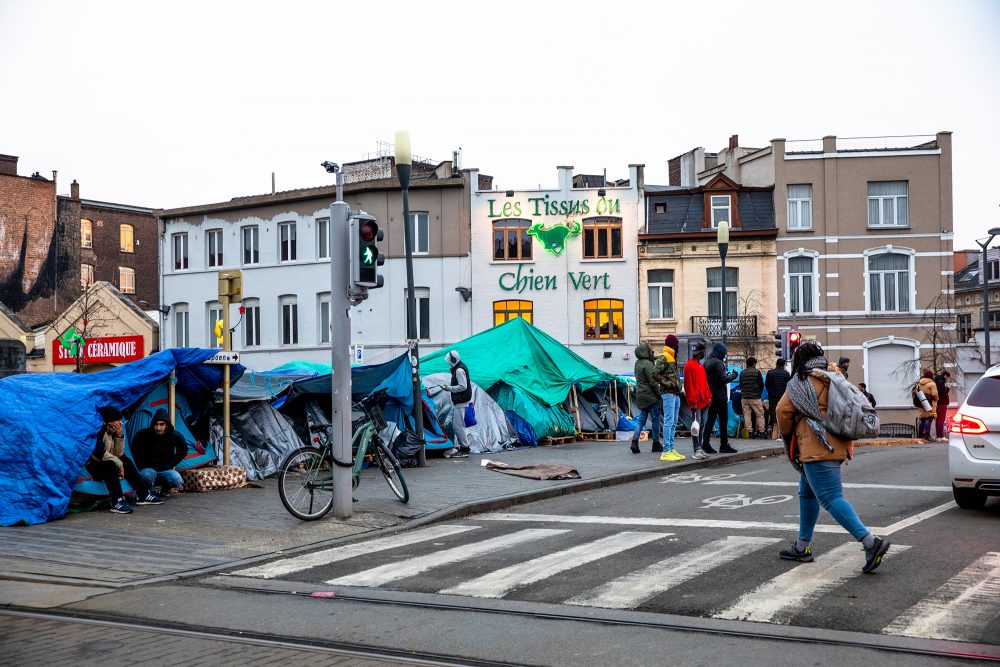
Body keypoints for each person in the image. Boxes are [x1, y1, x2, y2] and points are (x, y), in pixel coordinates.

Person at [776, 341, 891, 574]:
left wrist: (788, 434)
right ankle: (802, 546)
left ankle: (871, 542)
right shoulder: (834, 377)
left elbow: (782, 411)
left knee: (830, 497)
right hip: (838, 442)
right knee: (807, 492)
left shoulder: (800, 382)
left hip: (816, 446)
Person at [86, 406, 162, 514]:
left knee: (127, 461)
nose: (119, 424)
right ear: (108, 422)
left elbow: (118, 454)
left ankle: (143, 494)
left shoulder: (112, 431)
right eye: (117, 421)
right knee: (111, 464)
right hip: (94, 465)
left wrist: (119, 435)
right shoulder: (99, 431)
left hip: (108, 462)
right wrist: (119, 463)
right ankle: (117, 501)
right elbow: (98, 454)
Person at [131, 408, 187, 497]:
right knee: (146, 476)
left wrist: (170, 464)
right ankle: (148, 492)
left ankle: (164, 489)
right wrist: (141, 465)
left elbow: (183, 450)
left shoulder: (175, 435)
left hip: (165, 468)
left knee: (177, 480)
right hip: (148, 469)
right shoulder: (143, 434)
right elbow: (134, 450)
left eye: (161, 425)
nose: (158, 428)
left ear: (167, 425)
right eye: (156, 425)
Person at [702, 342, 738, 454]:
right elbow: (723, 379)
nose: (724, 355)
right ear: (720, 352)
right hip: (720, 396)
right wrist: (734, 375)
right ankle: (724, 445)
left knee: (710, 421)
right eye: (724, 353)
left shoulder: (706, 362)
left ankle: (705, 444)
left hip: (710, 395)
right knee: (723, 421)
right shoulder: (718, 363)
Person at [653, 335, 685, 461]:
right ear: (673, 345)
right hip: (668, 393)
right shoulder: (665, 357)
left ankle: (671, 448)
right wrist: (668, 384)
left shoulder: (671, 357)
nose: (678, 347)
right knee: (669, 421)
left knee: (673, 422)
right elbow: (654, 373)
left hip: (675, 393)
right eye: (676, 344)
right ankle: (666, 451)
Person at [630, 341, 664, 454]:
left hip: (640, 395)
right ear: (645, 351)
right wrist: (659, 395)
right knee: (655, 420)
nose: (651, 352)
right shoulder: (648, 364)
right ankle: (655, 444)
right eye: (649, 350)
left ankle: (634, 442)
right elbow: (653, 382)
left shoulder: (637, 363)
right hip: (651, 397)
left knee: (641, 421)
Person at [441, 350, 472, 458]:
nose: (449, 363)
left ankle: (465, 448)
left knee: (458, 426)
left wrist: (449, 388)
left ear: (453, 360)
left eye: (449, 361)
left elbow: (463, 386)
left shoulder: (458, 370)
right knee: (459, 425)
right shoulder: (460, 367)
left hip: (461, 400)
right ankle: (463, 446)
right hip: (461, 400)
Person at [684, 342, 711, 460]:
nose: (704, 353)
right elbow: (689, 386)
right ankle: (696, 449)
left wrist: (708, 396)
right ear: (700, 351)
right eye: (703, 351)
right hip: (697, 402)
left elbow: (704, 383)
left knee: (701, 424)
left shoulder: (699, 365)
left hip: (704, 400)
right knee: (696, 425)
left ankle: (699, 448)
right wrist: (693, 401)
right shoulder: (690, 366)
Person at [765, 358, 791, 440]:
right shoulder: (786, 374)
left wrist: (770, 391)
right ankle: (780, 431)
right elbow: (789, 386)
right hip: (782, 396)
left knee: (772, 412)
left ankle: (773, 429)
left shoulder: (770, 372)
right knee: (782, 412)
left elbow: (767, 384)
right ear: (783, 365)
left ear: (776, 364)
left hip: (772, 395)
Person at [739, 357, 765, 438]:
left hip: (745, 397)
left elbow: (741, 384)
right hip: (755, 397)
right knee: (760, 414)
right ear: (754, 364)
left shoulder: (742, 372)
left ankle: (749, 432)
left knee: (747, 415)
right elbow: (761, 384)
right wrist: (759, 393)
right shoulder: (757, 372)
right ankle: (761, 432)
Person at [916, 369, 939, 441]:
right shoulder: (932, 384)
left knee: (922, 418)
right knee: (929, 418)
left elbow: (917, 393)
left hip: (921, 403)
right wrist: (936, 399)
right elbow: (935, 395)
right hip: (930, 404)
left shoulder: (919, 384)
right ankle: (927, 435)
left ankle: (920, 435)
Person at [934, 371, 951, 440]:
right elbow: (942, 393)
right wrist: (947, 389)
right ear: (945, 376)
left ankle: (939, 435)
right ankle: (940, 436)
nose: (948, 379)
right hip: (942, 403)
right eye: (948, 378)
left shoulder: (937, 381)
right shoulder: (941, 382)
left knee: (939, 420)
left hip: (939, 403)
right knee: (941, 419)